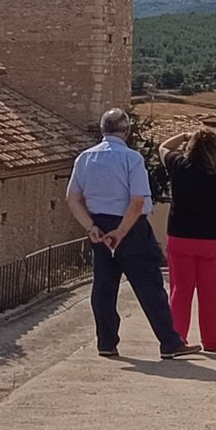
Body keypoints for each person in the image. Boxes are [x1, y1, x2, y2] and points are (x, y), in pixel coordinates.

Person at [65, 109, 199, 360]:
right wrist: (121, 232)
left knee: (104, 286)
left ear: (103, 130)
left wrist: (91, 227)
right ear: (126, 131)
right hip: (129, 226)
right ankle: (169, 342)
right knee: (149, 286)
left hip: (98, 224)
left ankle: (106, 342)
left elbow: (73, 198)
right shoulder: (132, 158)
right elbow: (137, 201)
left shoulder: (84, 158)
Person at [160, 129, 216, 352]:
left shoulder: (178, 166)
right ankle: (211, 341)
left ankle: (178, 337)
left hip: (180, 236)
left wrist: (185, 135)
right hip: (212, 240)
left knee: (180, 291)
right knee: (210, 293)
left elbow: (163, 147)